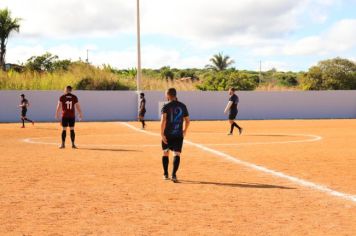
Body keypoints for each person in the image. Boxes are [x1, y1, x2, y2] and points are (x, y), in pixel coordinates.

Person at [161, 88, 190, 183]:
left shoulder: (166, 106)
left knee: (165, 152)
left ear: (168, 95)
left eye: (166, 94)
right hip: (178, 134)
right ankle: (174, 175)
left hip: (168, 134)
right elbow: (187, 120)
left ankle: (165, 174)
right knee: (176, 153)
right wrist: (184, 130)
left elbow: (163, 120)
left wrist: (162, 134)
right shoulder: (183, 106)